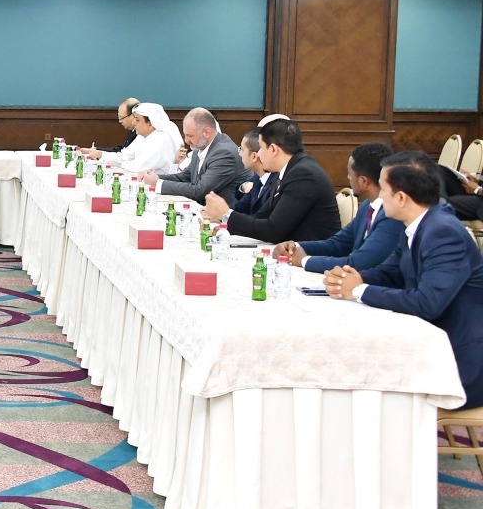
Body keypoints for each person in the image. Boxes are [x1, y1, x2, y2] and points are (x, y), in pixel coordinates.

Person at [324, 151, 483, 409]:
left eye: (384, 189)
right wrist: (350, 277)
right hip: (430, 344)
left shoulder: (443, 232)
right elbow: (391, 271)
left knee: (361, 384)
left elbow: (427, 303)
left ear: (401, 198)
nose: (380, 196)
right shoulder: (419, 222)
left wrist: (359, 290)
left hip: (457, 362)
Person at [201, 118, 341, 243]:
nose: (259, 154)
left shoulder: (303, 175)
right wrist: (223, 223)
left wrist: (227, 213)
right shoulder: (288, 170)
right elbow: (261, 216)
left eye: (261, 148)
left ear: (273, 149)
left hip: (310, 257)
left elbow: (273, 230)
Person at [273, 142, 404, 273]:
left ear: (363, 181)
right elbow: (336, 244)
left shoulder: (391, 216)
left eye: (349, 173)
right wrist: (295, 246)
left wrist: (303, 260)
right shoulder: (366, 207)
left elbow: (358, 263)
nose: (348, 177)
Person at [141, 107, 250, 204]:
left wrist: (158, 184)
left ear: (206, 132)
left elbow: (200, 190)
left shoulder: (224, 154)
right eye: (185, 135)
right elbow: (185, 177)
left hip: (224, 220)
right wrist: (156, 178)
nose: (186, 141)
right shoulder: (201, 147)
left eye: (190, 136)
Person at [83, 102, 180, 174]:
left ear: (150, 123)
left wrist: (116, 164)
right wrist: (99, 154)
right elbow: (124, 156)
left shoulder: (162, 139)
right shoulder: (142, 137)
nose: (133, 123)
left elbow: (138, 167)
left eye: (137, 120)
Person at [231, 129, 275, 215]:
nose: (239, 154)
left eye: (242, 149)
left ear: (254, 156)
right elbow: (240, 207)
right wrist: (219, 212)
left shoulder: (276, 183)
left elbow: (260, 219)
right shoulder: (258, 179)